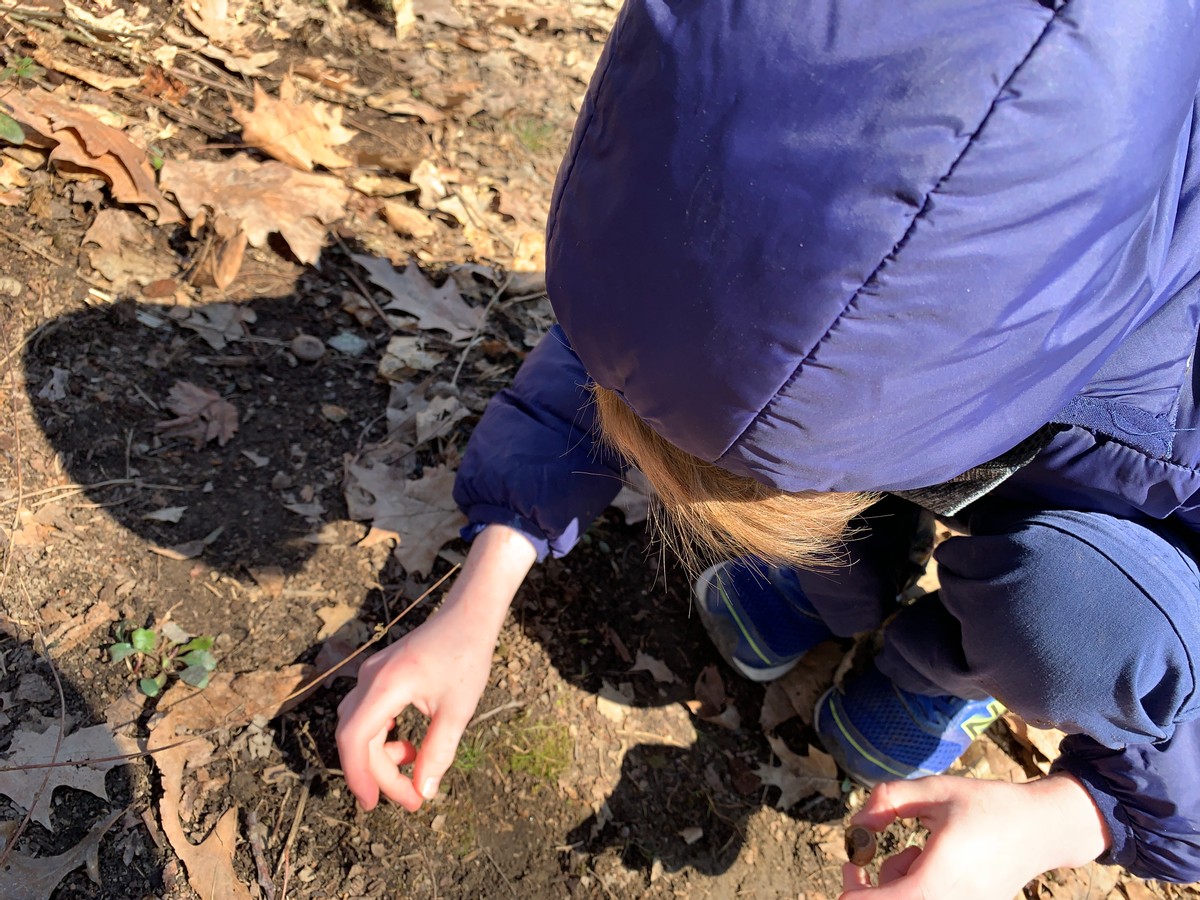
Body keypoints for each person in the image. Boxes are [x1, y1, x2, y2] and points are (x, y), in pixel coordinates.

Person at [337, 1, 1200, 895]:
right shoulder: (752, 145)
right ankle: (839, 596)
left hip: (1109, 501)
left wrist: (1069, 818)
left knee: (1077, 614)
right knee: (804, 495)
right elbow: (664, 326)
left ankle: (941, 669)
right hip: (935, 406)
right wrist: (481, 592)